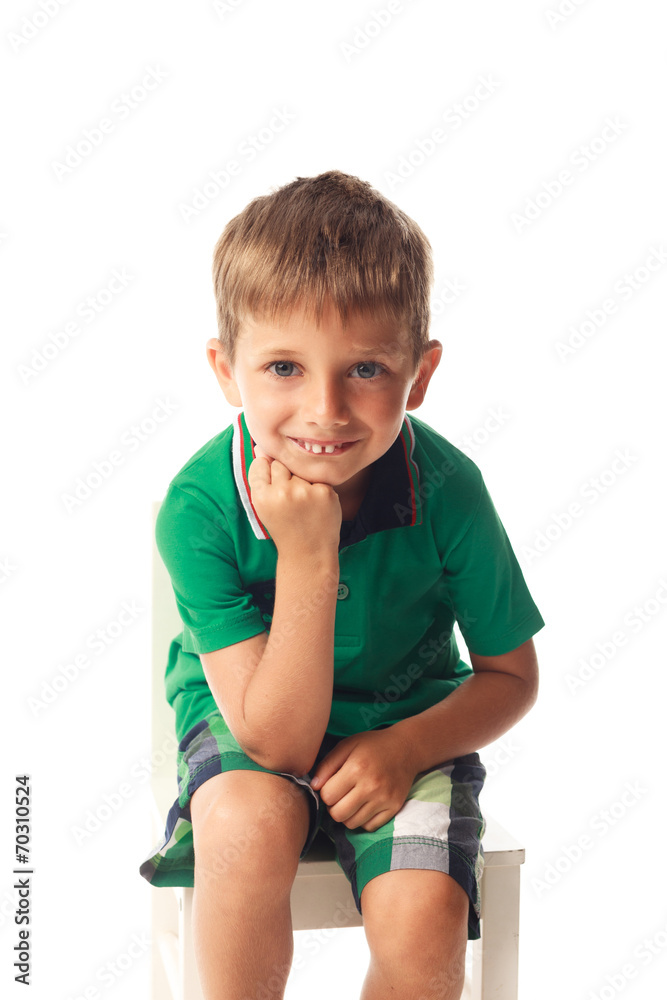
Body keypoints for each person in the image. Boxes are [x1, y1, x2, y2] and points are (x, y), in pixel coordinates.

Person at [140, 169, 545, 1000]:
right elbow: (277, 745)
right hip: (251, 722)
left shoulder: (448, 490)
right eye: (283, 367)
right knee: (247, 828)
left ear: (419, 374)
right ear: (226, 370)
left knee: (424, 915)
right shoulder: (200, 508)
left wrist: (406, 748)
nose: (323, 409)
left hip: (406, 725)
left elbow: (511, 675)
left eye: (364, 368)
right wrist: (309, 557)